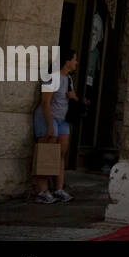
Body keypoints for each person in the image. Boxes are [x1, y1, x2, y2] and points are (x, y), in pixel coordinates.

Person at [32, 48, 79, 203]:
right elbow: (45, 102)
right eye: (74, 59)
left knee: (61, 153)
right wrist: (49, 124)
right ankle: (42, 190)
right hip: (48, 118)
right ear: (67, 61)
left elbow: (72, 99)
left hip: (63, 119)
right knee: (47, 152)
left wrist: (73, 97)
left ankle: (58, 188)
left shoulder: (69, 79)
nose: (76, 62)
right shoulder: (52, 78)